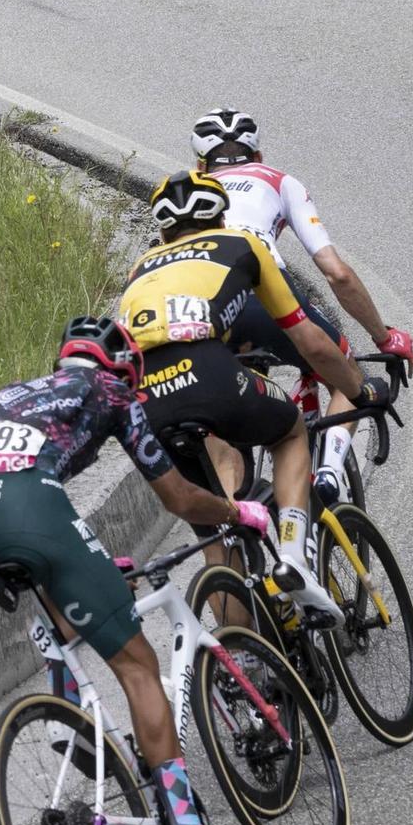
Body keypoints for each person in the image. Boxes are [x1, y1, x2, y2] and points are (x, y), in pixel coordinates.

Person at [0, 315, 265, 825]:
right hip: (29, 511)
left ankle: (67, 719)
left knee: (63, 589)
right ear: (124, 366)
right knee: (138, 665)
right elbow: (181, 499)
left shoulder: (11, 396)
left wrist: (81, 560)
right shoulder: (111, 391)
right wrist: (238, 511)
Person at [118, 170, 388, 621]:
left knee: (219, 540)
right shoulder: (242, 244)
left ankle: (244, 662)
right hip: (207, 368)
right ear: (223, 217)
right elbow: (312, 343)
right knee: (289, 429)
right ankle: (292, 557)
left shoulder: (138, 268)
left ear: (163, 230)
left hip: (144, 398)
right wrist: (359, 390)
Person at [191, 108, 413, 503]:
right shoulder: (279, 181)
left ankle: (236, 526)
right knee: (343, 371)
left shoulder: (185, 191)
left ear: (200, 164)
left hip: (196, 310)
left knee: (217, 419)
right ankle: (329, 475)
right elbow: (337, 274)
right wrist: (384, 337)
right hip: (262, 297)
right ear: (258, 156)